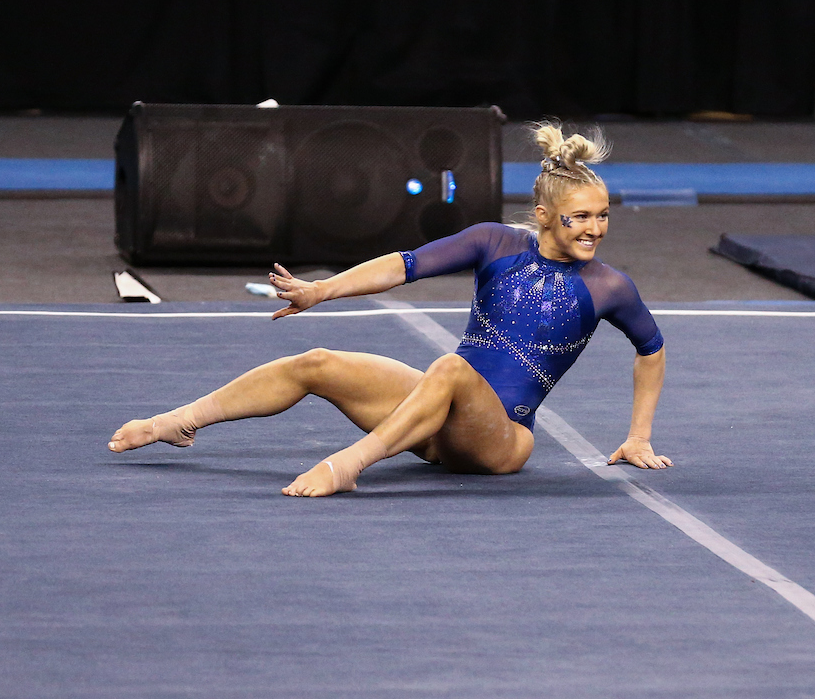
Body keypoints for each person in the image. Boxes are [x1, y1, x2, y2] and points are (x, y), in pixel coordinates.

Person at [108, 122, 672, 496]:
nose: (595, 228)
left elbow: (651, 349)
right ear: (545, 216)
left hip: (498, 438)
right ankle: (176, 423)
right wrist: (319, 291)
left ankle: (349, 465)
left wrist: (639, 436)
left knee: (450, 367)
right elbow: (402, 265)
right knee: (318, 362)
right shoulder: (495, 243)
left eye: (602, 215)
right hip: (433, 418)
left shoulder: (608, 286)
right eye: (580, 217)